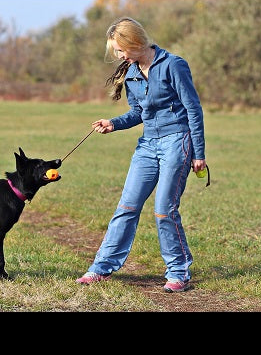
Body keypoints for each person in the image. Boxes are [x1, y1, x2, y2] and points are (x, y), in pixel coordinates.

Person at [76, 16, 206, 293]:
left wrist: (199, 153)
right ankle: (100, 268)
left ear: (134, 42)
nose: (120, 56)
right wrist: (113, 123)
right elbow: (138, 113)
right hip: (148, 144)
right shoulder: (131, 74)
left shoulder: (173, 65)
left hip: (177, 141)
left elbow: (193, 109)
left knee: (164, 211)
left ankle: (178, 272)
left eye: (121, 50)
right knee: (126, 207)